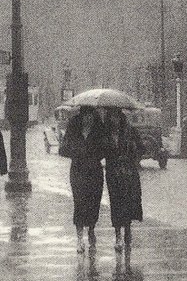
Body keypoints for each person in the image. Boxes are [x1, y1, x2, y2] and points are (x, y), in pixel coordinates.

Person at [59, 105, 107, 252]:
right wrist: (77, 150)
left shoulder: (99, 129)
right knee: (79, 203)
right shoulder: (73, 129)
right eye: (86, 115)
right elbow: (63, 150)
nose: (88, 119)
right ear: (81, 116)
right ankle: (79, 238)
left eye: (91, 115)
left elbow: (105, 150)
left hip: (94, 171)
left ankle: (91, 229)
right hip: (78, 171)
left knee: (94, 202)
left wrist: (94, 152)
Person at [104, 110, 144, 252]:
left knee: (127, 203)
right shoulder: (105, 134)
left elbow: (141, 149)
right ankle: (117, 235)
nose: (114, 120)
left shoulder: (130, 132)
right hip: (113, 173)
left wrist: (131, 154)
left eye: (116, 117)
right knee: (115, 203)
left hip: (128, 172)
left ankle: (127, 230)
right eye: (111, 117)